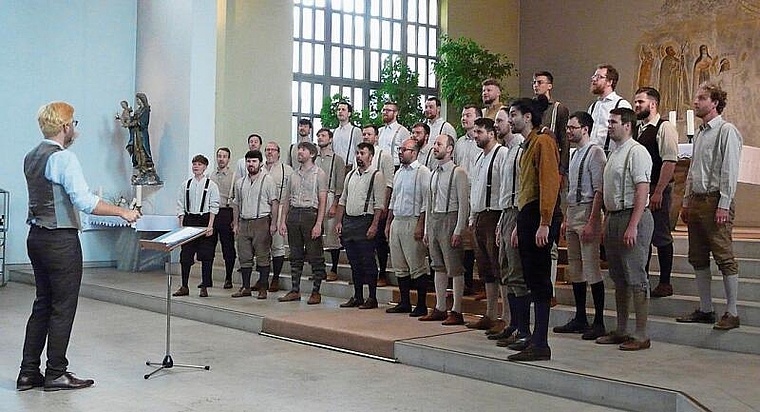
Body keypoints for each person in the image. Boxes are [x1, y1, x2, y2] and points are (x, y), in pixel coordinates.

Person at [18, 101, 141, 392]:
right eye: (74, 123)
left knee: (43, 304)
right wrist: (123, 212)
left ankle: (28, 373)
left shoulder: (31, 156)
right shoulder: (64, 158)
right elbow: (85, 202)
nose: (75, 128)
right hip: (60, 240)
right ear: (65, 127)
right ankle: (57, 373)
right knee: (63, 306)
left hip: (35, 237)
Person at [676, 82, 743, 330]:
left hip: (716, 200)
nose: (696, 102)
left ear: (715, 102)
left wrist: (724, 204)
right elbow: (693, 171)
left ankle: (732, 311)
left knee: (724, 256)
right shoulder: (702, 133)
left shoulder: (726, 131)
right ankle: (706, 308)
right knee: (698, 256)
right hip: (697, 200)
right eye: (696, 98)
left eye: (702, 98)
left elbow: (729, 170)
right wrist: (685, 201)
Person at [596, 107, 654, 351]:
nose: (609, 125)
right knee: (618, 276)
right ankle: (621, 329)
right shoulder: (614, 152)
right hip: (614, 216)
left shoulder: (637, 152)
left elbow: (642, 189)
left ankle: (641, 334)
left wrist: (632, 226)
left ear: (628, 125)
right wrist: (604, 221)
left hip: (633, 216)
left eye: (614, 122)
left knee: (635, 276)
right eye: (608, 121)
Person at [509, 97, 560, 362]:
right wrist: (520, 224)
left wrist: (545, 221)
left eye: (514, 114)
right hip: (528, 214)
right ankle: (533, 337)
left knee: (540, 280)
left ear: (528, 116)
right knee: (530, 278)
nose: (510, 119)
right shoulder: (528, 144)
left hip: (539, 214)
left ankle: (541, 342)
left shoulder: (543, 142)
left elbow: (549, 183)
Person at [555, 112, 607, 340]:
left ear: (585, 129)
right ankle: (580, 316)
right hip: (574, 210)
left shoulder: (595, 152)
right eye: (567, 127)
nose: (568, 131)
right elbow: (569, 189)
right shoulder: (574, 154)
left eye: (572, 128)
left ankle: (599, 321)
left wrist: (593, 220)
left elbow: (599, 190)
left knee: (591, 266)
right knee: (575, 268)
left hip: (587, 211)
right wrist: (566, 216)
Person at [632, 87, 679, 298]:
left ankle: (665, 282)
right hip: (641, 191)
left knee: (660, 235)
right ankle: (643, 279)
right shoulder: (638, 128)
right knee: (644, 237)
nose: (636, 106)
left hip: (656, 189)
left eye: (640, 102)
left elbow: (669, 161)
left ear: (652, 104)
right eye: (635, 102)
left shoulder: (664, 127)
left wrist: (659, 191)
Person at [420, 134, 470, 325]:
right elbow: (429, 201)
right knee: (437, 266)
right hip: (434, 220)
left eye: (439, 144)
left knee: (455, 267)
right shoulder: (433, 173)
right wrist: (426, 229)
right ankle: (440, 306)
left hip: (450, 219)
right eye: (434, 143)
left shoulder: (458, 173)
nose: (435, 147)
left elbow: (464, 204)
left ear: (449, 149)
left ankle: (457, 310)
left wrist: (459, 229)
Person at [466, 118, 509, 332]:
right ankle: (490, 313)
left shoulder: (501, 154)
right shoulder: (478, 158)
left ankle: (506, 315)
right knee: (485, 268)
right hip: (480, 215)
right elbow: (475, 188)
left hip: (495, 214)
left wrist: (502, 219)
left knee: (499, 267)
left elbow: (504, 187)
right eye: (474, 132)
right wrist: (473, 217)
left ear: (491, 133)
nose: (476, 135)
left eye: (479, 131)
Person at [335, 142, 386, 309]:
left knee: (368, 261)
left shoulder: (376, 175)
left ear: (370, 156)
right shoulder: (350, 175)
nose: (358, 156)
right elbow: (343, 199)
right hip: (350, 222)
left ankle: (372, 297)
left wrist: (374, 225)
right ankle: (357, 296)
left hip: (365, 221)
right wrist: (339, 221)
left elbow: (379, 204)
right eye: (357, 153)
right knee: (354, 262)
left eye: (362, 153)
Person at [489, 107, 525, 344]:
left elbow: (522, 187)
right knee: (505, 270)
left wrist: (517, 223)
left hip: (517, 212)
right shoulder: (507, 151)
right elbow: (505, 188)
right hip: (506, 212)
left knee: (516, 273)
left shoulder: (521, 147)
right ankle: (511, 321)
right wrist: (502, 219)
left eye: (501, 120)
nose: (497, 125)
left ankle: (521, 327)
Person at [385, 138, 431, 316]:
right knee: (399, 264)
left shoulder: (422, 172)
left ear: (414, 152)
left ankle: (421, 304)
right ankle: (404, 302)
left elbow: (426, 201)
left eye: (404, 149)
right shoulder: (399, 173)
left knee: (417, 264)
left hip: (413, 220)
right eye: (400, 148)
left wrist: (421, 224)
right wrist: (389, 222)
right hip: (398, 219)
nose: (400, 152)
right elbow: (393, 199)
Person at [278, 141, 328, 304]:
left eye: (303, 149)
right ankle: (295, 290)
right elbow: (286, 199)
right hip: (294, 213)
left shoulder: (319, 173)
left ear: (312, 154)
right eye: (299, 149)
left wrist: (319, 223)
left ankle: (316, 291)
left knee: (315, 255)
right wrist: (283, 221)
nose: (300, 152)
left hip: (310, 213)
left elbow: (322, 200)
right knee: (295, 254)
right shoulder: (292, 175)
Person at [231, 150, 278, 299]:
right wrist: (236, 223)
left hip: (261, 221)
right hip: (244, 222)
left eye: (254, 161)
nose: (251, 164)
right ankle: (245, 287)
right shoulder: (240, 182)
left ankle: (263, 288)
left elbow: (275, 203)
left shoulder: (268, 180)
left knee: (263, 255)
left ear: (260, 163)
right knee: (244, 256)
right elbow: (236, 204)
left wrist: (274, 223)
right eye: (248, 161)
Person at [173, 155, 220, 298]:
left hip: (204, 219)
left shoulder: (211, 185)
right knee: (186, 255)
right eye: (194, 164)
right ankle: (184, 285)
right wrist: (181, 224)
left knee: (206, 255)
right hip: (189, 219)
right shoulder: (186, 184)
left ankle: (204, 286)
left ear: (205, 167)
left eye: (199, 164)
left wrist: (210, 225)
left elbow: (214, 205)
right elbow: (180, 204)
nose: (196, 166)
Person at [453, 104, 482, 296]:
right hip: (461, 191)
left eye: (468, 115)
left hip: (477, 191)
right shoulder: (459, 142)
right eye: (463, 115)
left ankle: (478, 282)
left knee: (475, 239)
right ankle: (465, 281)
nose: (464, 118)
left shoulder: (481, 141)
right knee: (463, 239)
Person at [361, 124, 395, 287]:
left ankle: (382, 273)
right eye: (364, 134)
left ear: (376, 137)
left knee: (380, 241)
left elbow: (389, 183)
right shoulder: (360, 155)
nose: (366, 137)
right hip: (363, 207)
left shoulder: (385, 156)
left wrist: (384, 206)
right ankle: (366, 274)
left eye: (369, 134)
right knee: (364, 242)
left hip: (378, 204)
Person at [315, 128, 346, 282]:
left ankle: (333, 268)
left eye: (323, 135)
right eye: (318, 136)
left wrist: (335, 204)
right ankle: (319, 270)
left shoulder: (337, 159)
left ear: (331, 139)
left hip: (330, 196)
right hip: (315, 198)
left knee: (332, 236)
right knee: (316, 236)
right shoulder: (313, 158)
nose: (320, 138)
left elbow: (340, 184)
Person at [263, 142, 294, 292]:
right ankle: (262, 279)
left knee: (277, 245)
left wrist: (283, 218)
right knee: (261, 246)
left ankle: (275, 277)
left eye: (272, 150)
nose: (270, 153)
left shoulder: (286, 170)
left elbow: (290, 193)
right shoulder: (259, 168)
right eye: (267, 150)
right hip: (261, 211)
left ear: (278, 153)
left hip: (280, 207)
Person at [588, 64, 632, 155]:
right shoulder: (593, 106)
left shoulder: (621, 104)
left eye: (599, 77)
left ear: (610, 82)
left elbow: (626, 135)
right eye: (594, 76)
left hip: (611, 155)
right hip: (591, 155)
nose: (594, 79)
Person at [209, 147, 237, 289]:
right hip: (213, 213)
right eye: (219, 156)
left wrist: (235, 219)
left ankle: (228, 278)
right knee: (209, 247)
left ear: (228, 159)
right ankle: (207, 279)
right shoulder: (211, 176)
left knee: (228, 247)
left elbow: (237, 199)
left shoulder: (234, 176)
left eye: (224, 156)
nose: (221, 159)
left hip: (227, 212)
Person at [378, 102, 410, 166]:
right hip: (379, 166)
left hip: (395, 166)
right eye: (384, 110)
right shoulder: (380, 130)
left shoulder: (402, 131)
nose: (385, 113)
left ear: (395, 113)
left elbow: (406, 151)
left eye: (388, 110)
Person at [332, 101, 362, 171]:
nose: (340, 112)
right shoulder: (334, 131)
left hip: (349, 167)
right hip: (335, 168)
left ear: (349, 113)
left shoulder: (355, 131)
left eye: (343, 110)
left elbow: (359, 151)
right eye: (338, 109)